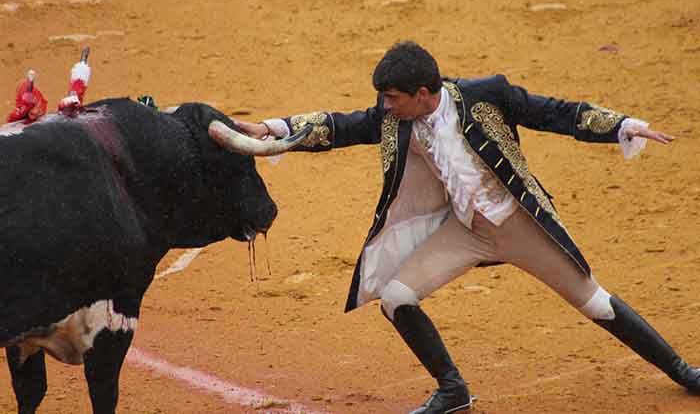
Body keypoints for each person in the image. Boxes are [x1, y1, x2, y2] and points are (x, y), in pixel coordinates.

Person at [235, 41, 696, 413]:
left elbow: (556, 112)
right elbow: (340, 126)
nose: (384, 107)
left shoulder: (487, 95)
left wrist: (621, 126)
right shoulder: (396, 120)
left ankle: (683, 372)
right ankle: (452, 391)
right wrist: (274, 129)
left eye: (392, 98)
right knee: (395, 296)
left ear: (422, 93)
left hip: (518, 224)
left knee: (593, 301)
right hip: (466, 230)